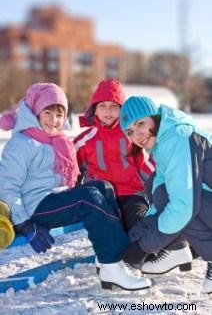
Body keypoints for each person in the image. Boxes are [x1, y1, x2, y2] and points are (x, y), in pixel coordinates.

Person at [0, 83, 151, 291]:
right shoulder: (22, 143)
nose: (54, 121)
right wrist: (25, 224)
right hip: (31, 207)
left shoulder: (55, 140)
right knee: (87, 199)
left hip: (50, 198)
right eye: (48, 113)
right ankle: (113, 264)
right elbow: (7, 188)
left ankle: (105, 258)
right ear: (35, 112)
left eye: (59, 114)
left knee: (103, 187)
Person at [119, 95, 212, 293]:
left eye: (140, 123)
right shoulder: (162, 144)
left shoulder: (178, 136)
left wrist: (144, 246)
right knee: (157, 187)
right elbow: (158, 201)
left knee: (181, 203)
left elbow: (183, 207)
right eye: (130, 132)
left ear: (155, 116)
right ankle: (176, 250)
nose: (138, 135)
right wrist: (131, 240)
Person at [74, 79, 154, 232]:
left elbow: (146, 166)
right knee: (108, 229)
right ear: (94, 110)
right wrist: (75, 195)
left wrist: (157, 189)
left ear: (122, 109)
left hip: (132, 194)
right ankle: (111, 253)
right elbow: (73, 170)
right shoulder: (85, 140)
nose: (108, 111)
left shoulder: (132, 136)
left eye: (113, 106)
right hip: (101, 198)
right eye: (102, 106)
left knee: (140, 225)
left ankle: (146, 252)